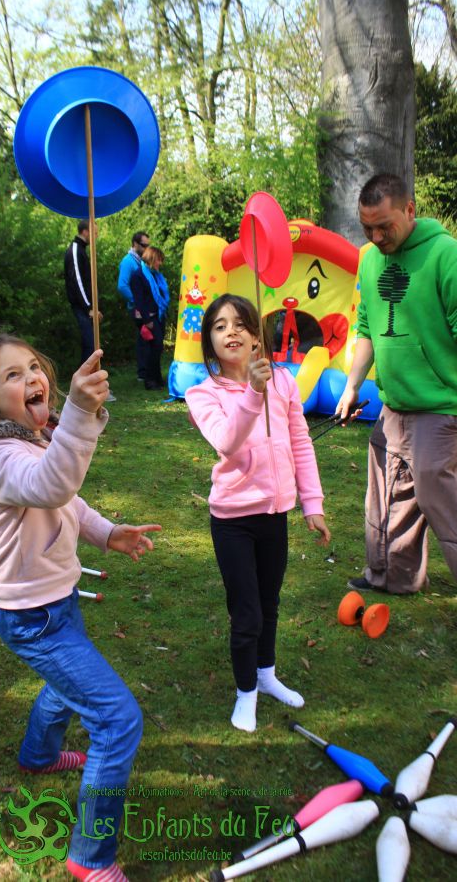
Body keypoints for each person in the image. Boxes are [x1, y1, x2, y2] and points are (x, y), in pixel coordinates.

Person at [0, 329, 161, 881]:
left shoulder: (28, 435)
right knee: (117, 720)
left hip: (55, 599)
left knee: (65, 682)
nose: (31, 379)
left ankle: (38, 755)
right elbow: (50, 484)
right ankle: (90, 859)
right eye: (11, 376)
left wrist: (109, 533)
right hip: (32, 617)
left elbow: (69, 501)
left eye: (33, 367)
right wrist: (80, 414)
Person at [185, 295, 330, 733]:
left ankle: (266, 675)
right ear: (210, 342)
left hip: (276, 514)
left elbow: (301, 442)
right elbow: (226, 442)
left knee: (269, 603)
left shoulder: (284, 382)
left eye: (241, 324)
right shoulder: (202, 393)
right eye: (220, 326)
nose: (231, 332)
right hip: (232, 519)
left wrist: (313, 503)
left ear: (255, 336)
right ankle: (245, 692)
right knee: (246, 611)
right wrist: (252, 391)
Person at [336, 173, 457, 595]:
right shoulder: (369, 259)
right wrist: (353, 385)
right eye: (367, 226)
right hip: (393, 405)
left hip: (441, 405)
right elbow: (366, 326)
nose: (376, 235)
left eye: (384, 225)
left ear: (410, 209)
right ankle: (391, 576)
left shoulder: (446, 255)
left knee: (437, 493)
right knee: (387, 494)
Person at [64, 220, 115, 401]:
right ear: (85, 232)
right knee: (91, 346)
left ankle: (91, 387)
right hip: (82, 308)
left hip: (86, 308)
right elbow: (77, 281)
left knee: (92, 345)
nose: (96, 236)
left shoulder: (82, 250)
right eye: (94, 232)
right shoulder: (76, 250)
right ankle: (86, 388)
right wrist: (89, 308)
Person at [129, 246, 170, 391]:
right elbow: (139, 301)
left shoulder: (155, 275)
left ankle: (157, 378)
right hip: (148, 318)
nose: (160, 263)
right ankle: (150, 380)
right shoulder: (138, 276)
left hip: (158, 315)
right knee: (153, 348)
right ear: (152, 259)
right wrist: (147, 321)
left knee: (157, 349)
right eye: (159, 260)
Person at [117, 231, 150, 382]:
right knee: (143, 337)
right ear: (135, 244)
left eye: (148, 245)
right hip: (137, 308)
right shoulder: (128, 261)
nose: (146, 248)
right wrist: (137, 301)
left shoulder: (139, 261)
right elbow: (122, 285)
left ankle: (145, 371)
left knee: (146, 337)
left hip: (141, 306)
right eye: (144, 245)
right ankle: (142, 373)